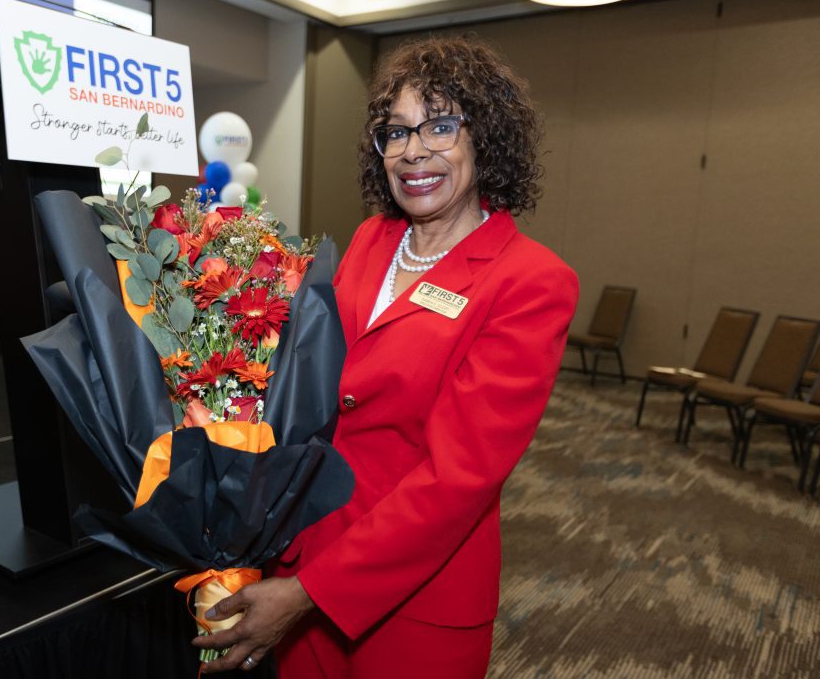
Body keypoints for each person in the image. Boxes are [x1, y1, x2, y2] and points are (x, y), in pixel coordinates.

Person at [193, 34, 579, 677]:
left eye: (441, 125)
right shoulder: (374, 239)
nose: (414, 151)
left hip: (413, 602)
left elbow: (456, 482)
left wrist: (311, 593)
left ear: (487, 139)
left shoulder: (529, 281)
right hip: (300, 555)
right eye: (395, 133)